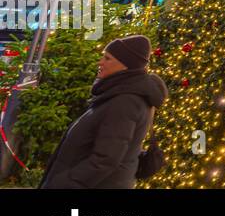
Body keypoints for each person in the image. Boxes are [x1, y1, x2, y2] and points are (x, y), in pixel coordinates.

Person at [41, 35, 166, 189]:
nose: (100, 62)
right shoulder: (120, 93)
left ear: (125, 65)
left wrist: (65, 182)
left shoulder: (125, 102)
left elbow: (106, 159)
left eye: (107, 58)